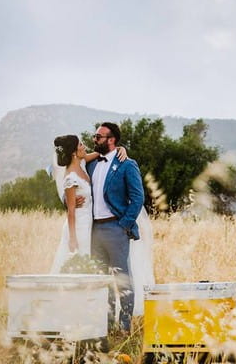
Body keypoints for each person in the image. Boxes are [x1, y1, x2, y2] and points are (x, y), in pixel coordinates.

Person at [86, 122, 147, 332]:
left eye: (98, 137)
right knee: (100, 279)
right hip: (94, 231)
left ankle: (124, 325)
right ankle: (106, 323)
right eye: (95, 136)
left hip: (116, 228)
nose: (94, 140)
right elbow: (61, 167)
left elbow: (138, 198)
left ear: (112, 140)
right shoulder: (91, 164)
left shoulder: (127, 165)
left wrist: (124, 225)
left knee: (122, 278)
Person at [49, 135, 128, 273]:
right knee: (79, 262)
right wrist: (73, 238)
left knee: (87, 262)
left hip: (89, 224)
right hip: (78, 226)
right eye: (81, 145)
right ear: (74, 152)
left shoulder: (83, 163)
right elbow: (71, 212)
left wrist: (120, 149)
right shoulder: (70, 178)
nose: (84, 146)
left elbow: (102, 152)